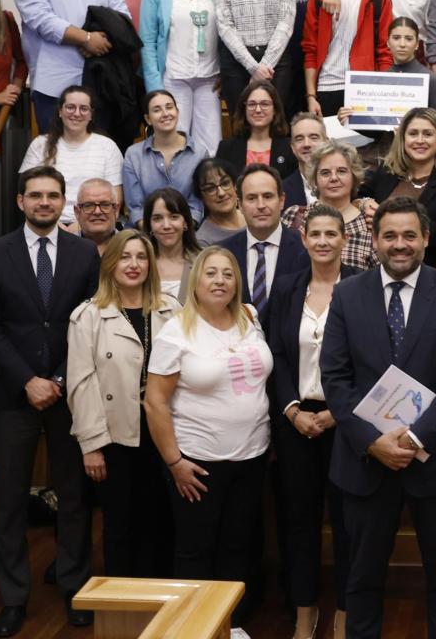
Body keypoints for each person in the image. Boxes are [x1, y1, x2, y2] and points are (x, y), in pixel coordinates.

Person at [320, 197, 436, 638]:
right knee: (362, 578)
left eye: (409, 235)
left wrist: (412, 439)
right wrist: (373, 441)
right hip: (365, 461)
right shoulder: (347, 294)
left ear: (426, 239)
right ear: (374, 240)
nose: (400, 244)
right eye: (389, 235)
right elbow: (335, 379)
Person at [0, 167, 100, 635]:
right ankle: (14, 597)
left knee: (74, 496)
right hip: (12, 394)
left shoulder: (85, 254)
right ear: (21, 201)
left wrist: (60, 378)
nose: (45, 203)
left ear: (64, 202)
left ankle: (74, 588)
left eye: (53, 196)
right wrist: (27, 379)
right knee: (9, 501)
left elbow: (90, 321)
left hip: (70, 395)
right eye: (36, 196)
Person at [144, 245, 273, 623]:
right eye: (211, 273)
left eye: (228, 274)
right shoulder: (176, 332)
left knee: (238, 548)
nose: (220, 281)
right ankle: (194, 627)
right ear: (195, 280)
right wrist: (175, 462)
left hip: (251, 457)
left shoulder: (249, 317)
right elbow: (155, 403)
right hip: (198, 463)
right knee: (195, 550)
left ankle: (230, 625)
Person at [263, 205, 360, 639]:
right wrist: (290, 409)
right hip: (296, 420)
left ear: (344, 239)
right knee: (298, 522)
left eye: (330, 234)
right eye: (314, 234)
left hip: (345, 422)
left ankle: (343, 612)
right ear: (302, 240)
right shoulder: (285, 288)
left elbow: (370, 359)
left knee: (346, 523)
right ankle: (304, 610)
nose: (322, 241)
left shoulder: (361, 288)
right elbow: (276, 353)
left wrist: (339, 412)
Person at [66, 229, 175, 579]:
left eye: (141, 257)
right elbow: (81, 384)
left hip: (163, 431)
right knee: (120, 525)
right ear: (110, 263)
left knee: (161, 523)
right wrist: (91, 445)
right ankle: (124, 610)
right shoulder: (89, 316)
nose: (133, 264)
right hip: (114, 436)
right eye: (125, 257)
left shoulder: (171, 310)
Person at [14, 0, 131, 132]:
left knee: (95, 158)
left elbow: (124, 19)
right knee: (55, 157)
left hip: (99, 87)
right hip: (53, 88)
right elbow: (42, 20)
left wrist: (100, 40)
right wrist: (86, 39)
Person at [356, 107, 436, 274]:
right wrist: (365, 202)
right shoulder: (387, 172)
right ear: (403, 139)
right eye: (413, 133)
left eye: (427, 134)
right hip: (378, 270)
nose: (419, 140)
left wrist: (390, 218)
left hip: (431, 272)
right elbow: (355, 195)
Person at [139, 0, 221, 156]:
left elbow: (225, 29)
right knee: (176, 142)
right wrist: (155, 89)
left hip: (210, 79)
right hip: (173, 79)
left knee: (210, 145)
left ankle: (208, 189)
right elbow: (146, 40)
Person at [304, 0, 394, 118]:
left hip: (365, 88)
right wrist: (311, 96)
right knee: (328, 148)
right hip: (327, 86)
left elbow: (385, 51)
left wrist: (384, 96)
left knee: (367, 148)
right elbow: (310, 50)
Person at [19, 86, 124, 229]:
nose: (77, 113)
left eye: (83, 108)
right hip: (46, 224)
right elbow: (27, 193)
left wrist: (81, 225)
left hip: (95, 225)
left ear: (91, 114)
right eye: (70, 107)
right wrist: (54, 225)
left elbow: (115, 199)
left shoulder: (107, 146)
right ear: (60, 112)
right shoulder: (39, 145)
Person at [216, 164, 310, 316]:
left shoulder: (306, 249)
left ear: (281, 200)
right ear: (239, 205)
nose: (260, 205)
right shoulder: (222, 253)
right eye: (252, 198)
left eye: (268, 196)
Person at [284, 141, 375, 270]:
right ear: (315, 179)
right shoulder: (294, 216)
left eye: (342, 171)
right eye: (325, 173)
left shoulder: (369, 223)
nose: (333, 178)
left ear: (354, 176)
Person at [122, 89, 205, 225]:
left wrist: (178, 233)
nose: (165, 114)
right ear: (148, 119)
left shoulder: (199, 154)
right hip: (145, 233)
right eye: (157, 110)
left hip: (187, 231)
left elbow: (196, 207)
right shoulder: (133, 155)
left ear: (177, 112)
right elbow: (135, 209)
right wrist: (155, 235)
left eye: (169, 107)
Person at [215, 80, 297, 183]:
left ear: (275, 109)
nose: (258, 110)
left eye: (264, 104)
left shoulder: (290, 148)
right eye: (252, 104)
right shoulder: (226, 148)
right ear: (244, 109)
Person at [142, 187, 201, 302]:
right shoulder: (140, 264)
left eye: (174, 217)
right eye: (157, 218)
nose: (166, 225)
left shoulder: (203, 261)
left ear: (185, 223)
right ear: (150, 225)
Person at [384, 17, 436, 116]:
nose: (402, 44)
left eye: (408, 39)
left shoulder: (430, 79)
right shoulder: (382, 79)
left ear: (417, 44)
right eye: (396, 38)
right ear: (388, 42)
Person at [192, 158, 246, 247]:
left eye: (225, 183)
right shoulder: (203, 241)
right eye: (210, 189)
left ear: (235, 185)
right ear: (201, 197)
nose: (221, 193)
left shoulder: (252, 216)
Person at [282, 111, 327, 207]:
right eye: (299, 139)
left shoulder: (344, 183)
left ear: (326, 142)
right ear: (293, 147)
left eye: (314, 137)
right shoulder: (281, 191)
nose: (306, 144)